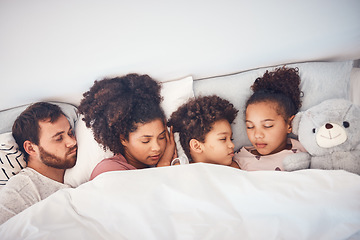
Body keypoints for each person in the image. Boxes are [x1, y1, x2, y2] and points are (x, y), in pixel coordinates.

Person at [78, 73, 176, 180]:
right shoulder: (108, 171)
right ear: (123, 139)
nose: (157, 147)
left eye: (161, 137)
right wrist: (163, 168)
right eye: (146, 140)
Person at [0, 102, 77, 224]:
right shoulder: (21, 190)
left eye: (70, 133)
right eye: (59, 138)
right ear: (31, 148)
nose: (72, 142)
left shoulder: (77, 169)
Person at [233, 66, 307, 171]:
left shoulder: (303, 150)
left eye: (267, 126)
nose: (257, 135)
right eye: (250, 127)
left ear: (289, 125)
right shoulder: (240, 160)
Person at [167, 95, 239, 167]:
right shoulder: (182, 168)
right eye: (223, 139)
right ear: (196, 146)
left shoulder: (239, 167)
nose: (232, 145)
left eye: (231, 139)